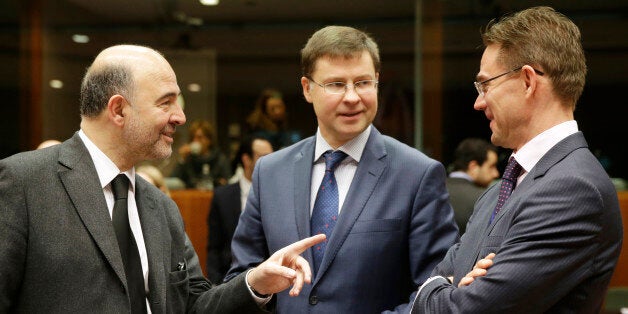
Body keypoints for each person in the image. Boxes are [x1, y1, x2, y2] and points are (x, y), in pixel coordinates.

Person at [0, 44, 327, 313]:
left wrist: (255, 283)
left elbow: (195, 304)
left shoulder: (160, 206)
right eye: (166, 102)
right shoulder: (24, 183)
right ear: (118, 110)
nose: (180, 117)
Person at [225, 25, 459, 313]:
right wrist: (259, 286)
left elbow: (435, 292)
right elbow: (242, 279)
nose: (352, 97)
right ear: (307, 89)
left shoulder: (417, 174)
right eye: (336, 84)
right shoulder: (270, 172)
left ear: (376, 82)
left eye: (362, 83)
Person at [410, 6, 623, 313]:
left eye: (486, 84)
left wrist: (432, 290)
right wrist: (445, 288)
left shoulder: (574, 189)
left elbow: (466, 309)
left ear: (527, 81)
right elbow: (446, 281)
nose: (478, 102)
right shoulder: (500, 190)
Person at [206, 135, 274, 283]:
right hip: (228, 280)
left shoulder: (279, 195)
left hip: (270, 283)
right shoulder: (222, 196)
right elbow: (214, 247)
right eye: (264, 157)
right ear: (246, 159)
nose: (271, 162)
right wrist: (216, 286)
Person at [446, 138, 499, 233]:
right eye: (491, 166)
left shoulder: (433, 190)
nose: (496, 173)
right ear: (473, 167)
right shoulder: (484, 199)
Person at [171, 120, 232, 189]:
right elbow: (173, 180)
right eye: (193, 138)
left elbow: (228, 182)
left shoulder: (220, 159)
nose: (195, 141)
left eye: (199, 137)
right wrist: (182, 159)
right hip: (191, 196)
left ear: (209, 140)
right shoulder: (189, 158)